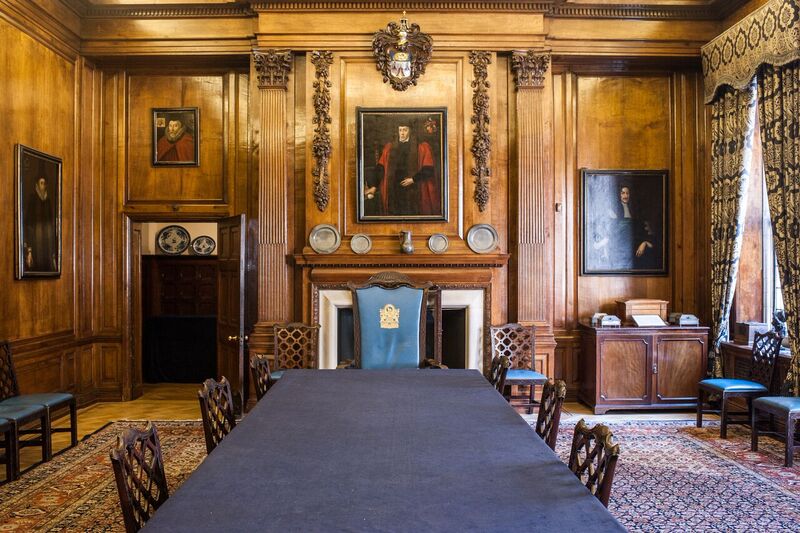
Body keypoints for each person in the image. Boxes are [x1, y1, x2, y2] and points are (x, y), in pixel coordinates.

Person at [364, 123, 439, 216]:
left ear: (410, 131)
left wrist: (413, 179)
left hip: (414, 188)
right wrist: (374, 186)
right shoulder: (389, 148)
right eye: (400, 130)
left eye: (405, 130)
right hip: (394, 189)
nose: (402, 133)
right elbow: (381, 168)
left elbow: (428, 169)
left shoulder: (421, 147)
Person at [592, 184, 658, 270]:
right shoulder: (613, 209)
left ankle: (605, 243)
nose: (625, 195)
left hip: (632, 246)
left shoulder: (635, 210)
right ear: (619, 195)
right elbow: (610, 227)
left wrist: (644, 242)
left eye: (627, 193)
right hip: (618, 245)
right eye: (623, 193)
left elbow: (642, 230)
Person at [24, 175, 57, 272]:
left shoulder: (48, 202)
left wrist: (53, 253)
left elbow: (52, 224)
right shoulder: (32, 200)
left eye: (44, 184)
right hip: (35, 243)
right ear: (37, 185)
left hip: (47, 243)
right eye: (41, 183)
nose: (43, 186)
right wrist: (29, 250)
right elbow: (28, 224)